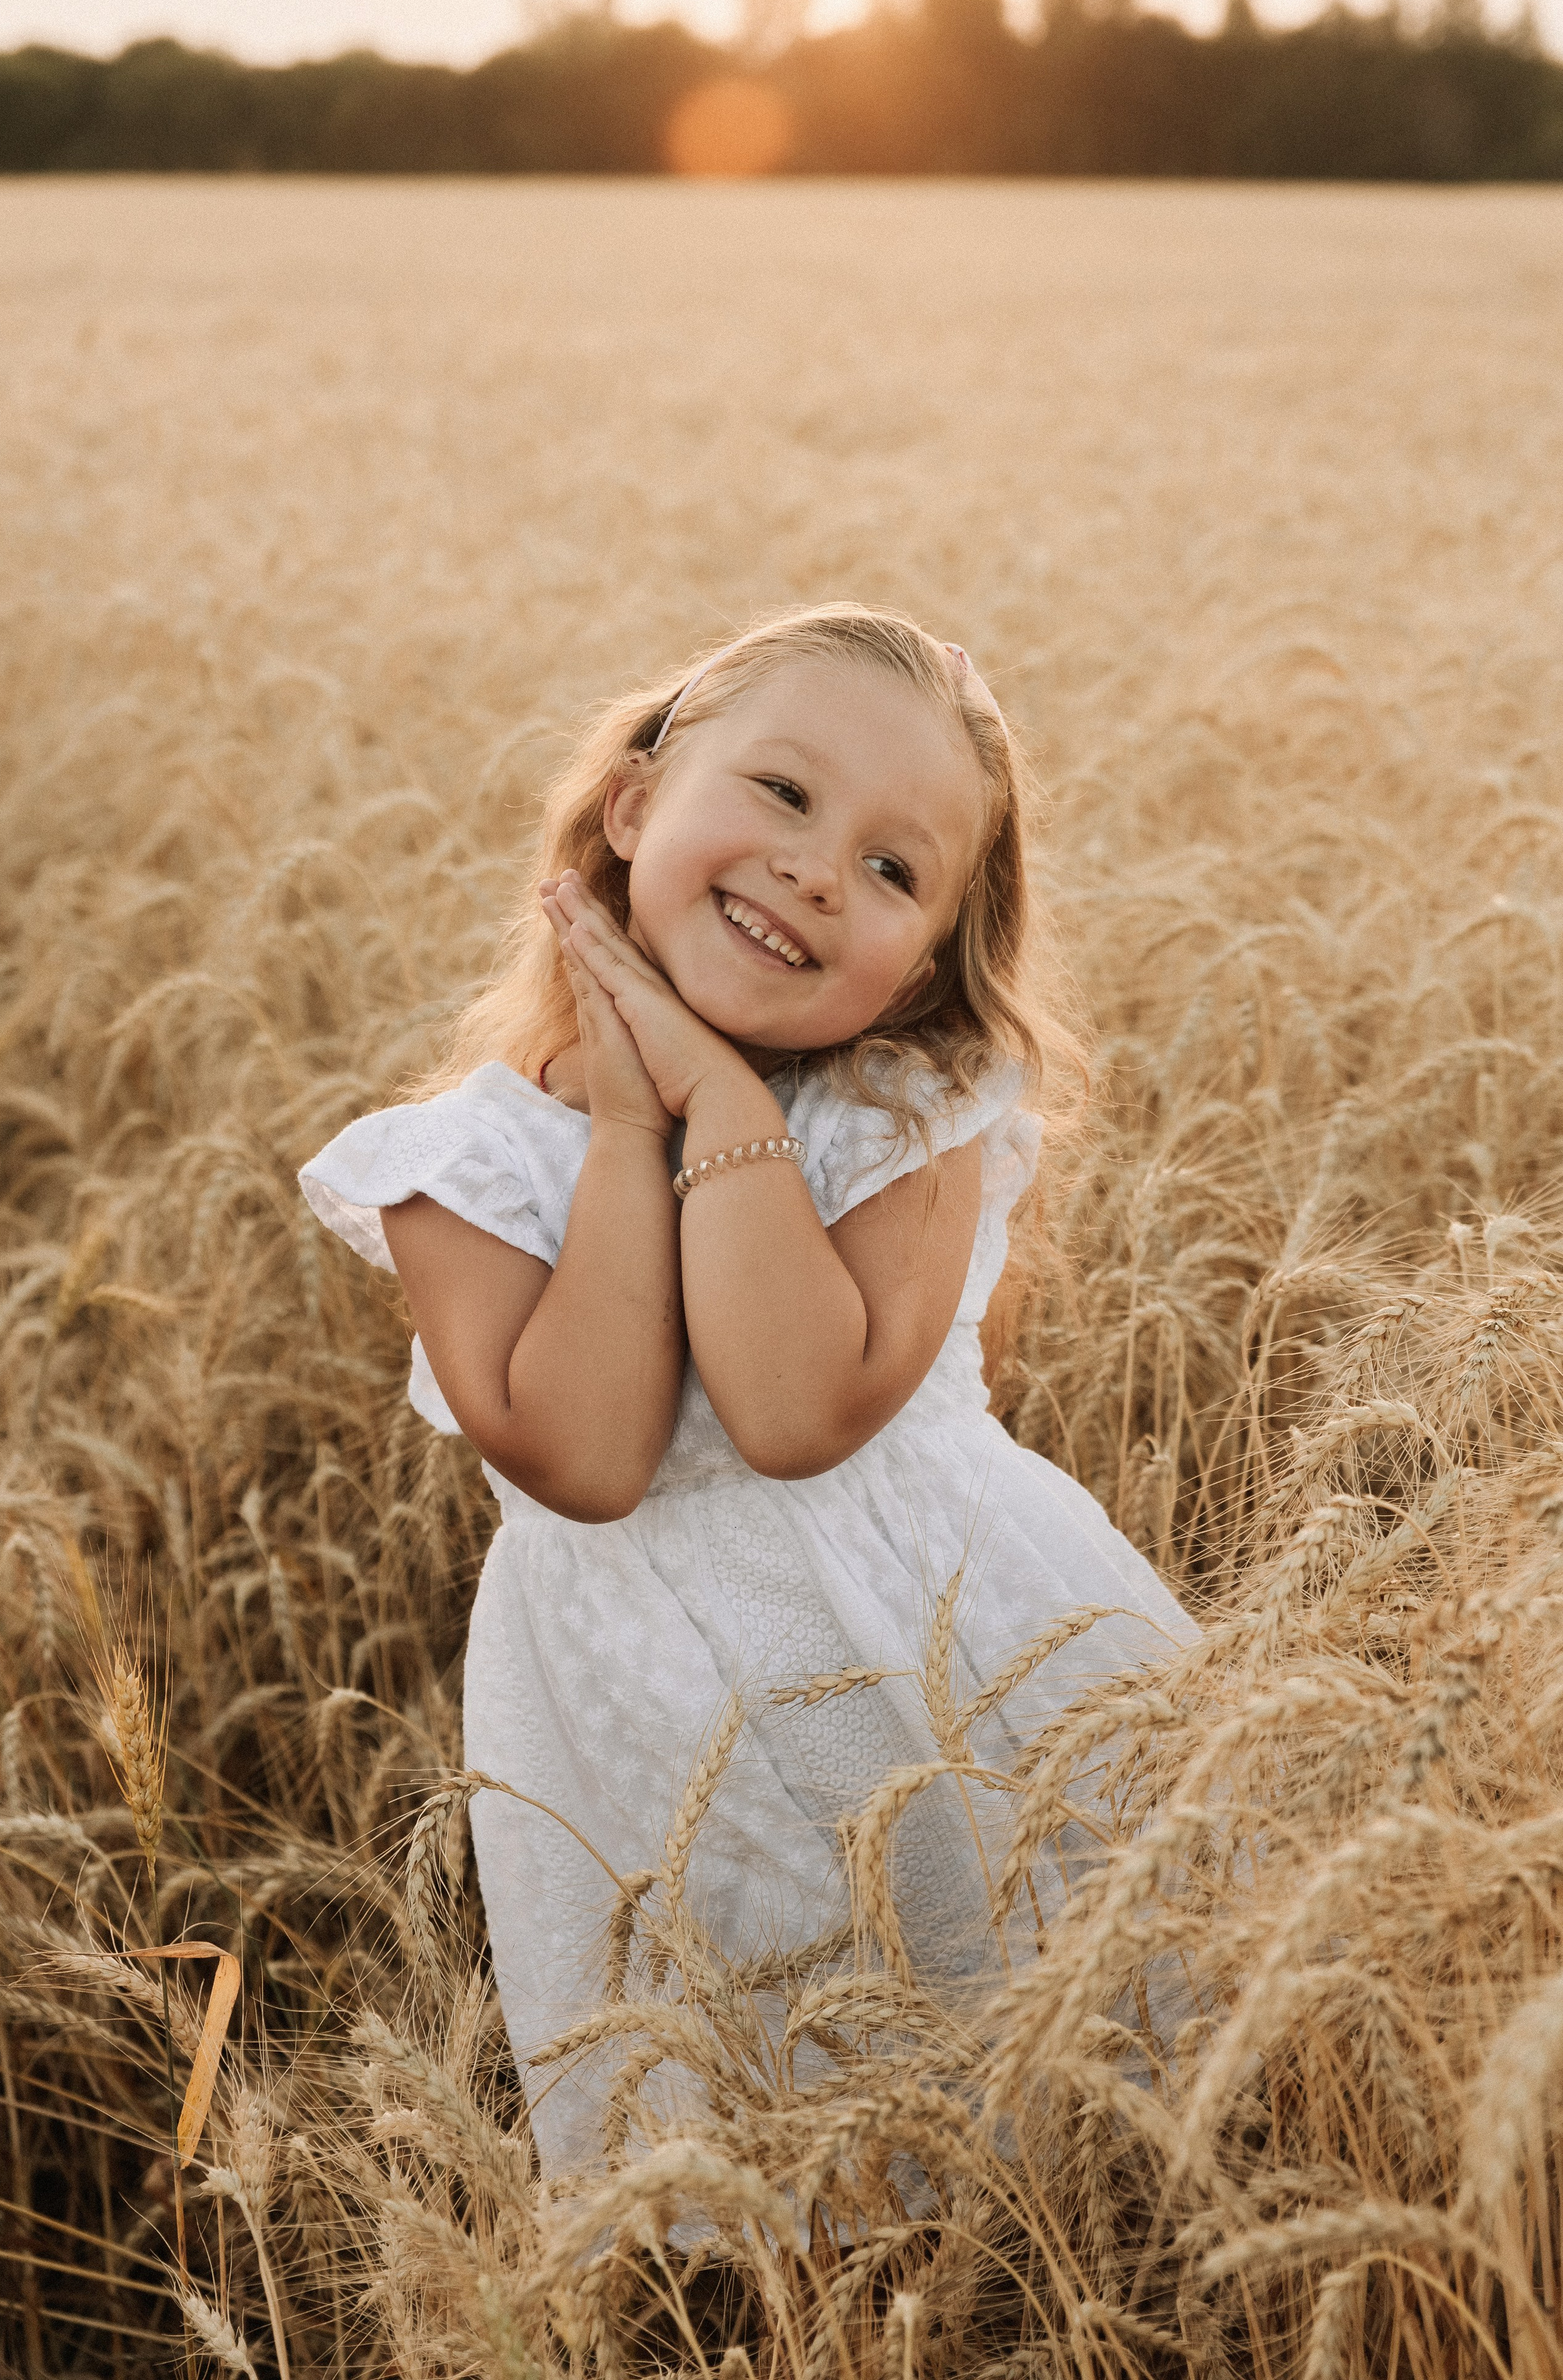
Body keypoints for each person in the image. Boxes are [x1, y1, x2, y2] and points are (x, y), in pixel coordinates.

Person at [300, 603, 1196, 2172]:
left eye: (890, 869)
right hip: (657, 1759)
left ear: (922, 967)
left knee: (1071, 2095)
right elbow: (589, 1451)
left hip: (959, 1679)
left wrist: (714, 1088)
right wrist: (628, 1132)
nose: (812, 868)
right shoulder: (469, 1165)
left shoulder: (913, 1105)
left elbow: (789, 1413)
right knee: (782, 2160)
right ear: (635, 804)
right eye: (780, 795)